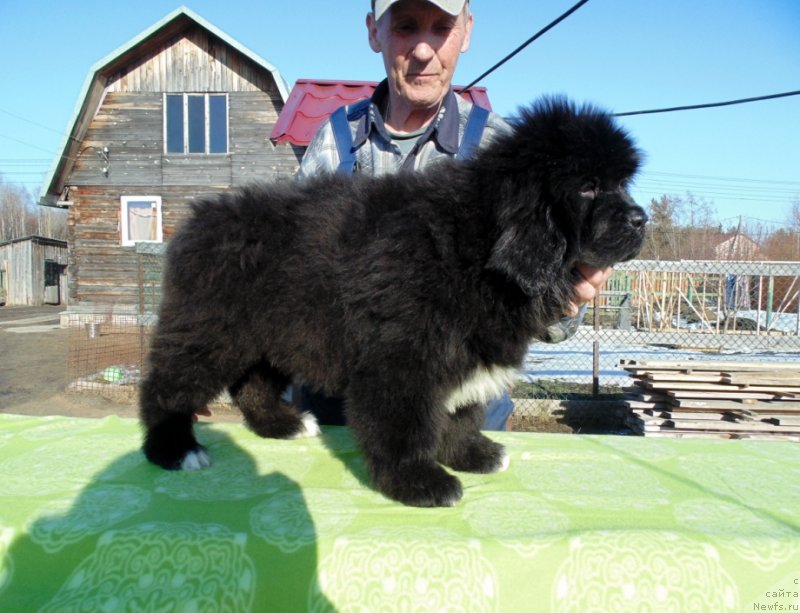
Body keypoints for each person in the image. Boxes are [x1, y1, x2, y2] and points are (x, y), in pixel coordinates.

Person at [295, 0, 611, 429]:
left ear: (466, 32)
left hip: (460, 419)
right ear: (374, 32)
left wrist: (570, 293)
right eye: (405, 27)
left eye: (441, 28)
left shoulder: (504, 152)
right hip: (341, 415)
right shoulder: (334, 142)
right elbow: (290, 284)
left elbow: (551, 322)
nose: (424, 51)